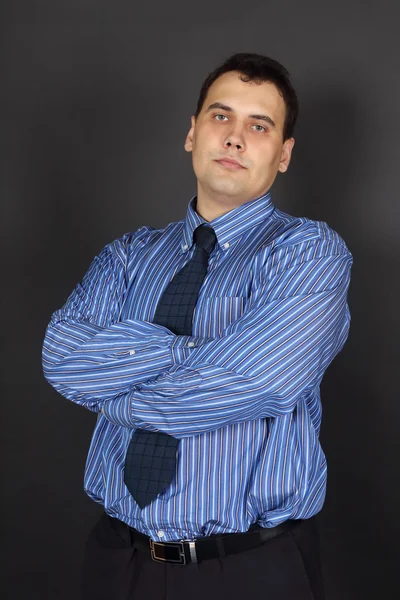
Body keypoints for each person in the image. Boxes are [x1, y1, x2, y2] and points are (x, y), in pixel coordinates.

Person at [42, 52, 353, 600]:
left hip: (249, 569)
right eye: (220, 116)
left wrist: (116, 392)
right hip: (117, 563)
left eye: (259, 126)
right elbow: (63, 357)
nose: (235, 138)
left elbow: (256, 384)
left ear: (283, 155)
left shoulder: (308, 254)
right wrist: (198, 351)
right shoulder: (128, 255)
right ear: (192, 134)